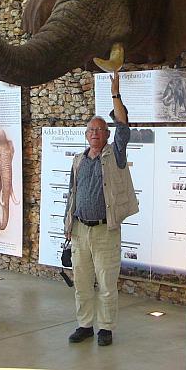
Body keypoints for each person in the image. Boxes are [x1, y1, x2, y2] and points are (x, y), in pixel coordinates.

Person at [64, 71, 138, 346]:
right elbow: (72, 195)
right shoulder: (78, 160)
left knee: (107, 284)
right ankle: (84, 325)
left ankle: (105, 328)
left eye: (100, 130)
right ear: (86, 135)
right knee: (82, 283)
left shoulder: (115, 155)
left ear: (107, 135)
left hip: (106, 231)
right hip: (81, 231)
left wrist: (115, 93)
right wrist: (68, 227)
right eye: (91, 130)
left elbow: (124, 124)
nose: (95, 134)